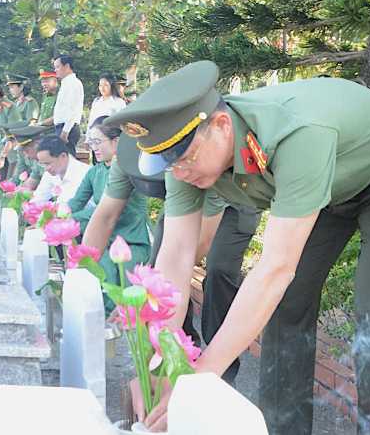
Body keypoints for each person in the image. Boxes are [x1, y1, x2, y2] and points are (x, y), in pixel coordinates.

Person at [105, 61, 370, 434]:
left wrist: (197, 379)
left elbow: (276, 267)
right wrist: (159, 365)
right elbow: (177, 255)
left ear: (222, 126)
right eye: (169, 165)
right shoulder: (186, 151)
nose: (179, 174)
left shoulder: (297, 133)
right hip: (328, 189)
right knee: (287, 301)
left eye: (184, 160)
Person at [82, 123, 259, 383]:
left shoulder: (194, 157)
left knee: (218, 272)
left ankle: (220, 373)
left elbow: (196, 247)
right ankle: (179, 360)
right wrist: (82, 278)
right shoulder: (127, 156)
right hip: (182, 196)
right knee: (158, 267)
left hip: (232, 199)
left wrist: (145, 296)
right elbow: (105, 217)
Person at [67, 116, 152, 314]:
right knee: (93, 272)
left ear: (117, 142)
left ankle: (117, 323)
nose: (93, 148)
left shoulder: (129, 169)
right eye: (91, 142)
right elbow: (76, 203)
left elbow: (107, 212)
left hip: (133, 239)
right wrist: (53, 217)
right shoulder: (95, 172)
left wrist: (70, 221)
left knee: (118, 276)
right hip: (106, 238)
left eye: (98, 142)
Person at [31, 134, 91, 204]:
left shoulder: (83, 174)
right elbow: (38, 198)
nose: (46, 169)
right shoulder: (50, 173)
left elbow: (69, 205)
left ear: (63, 156)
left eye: (48, 164)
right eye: (42, 164)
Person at [85, 74, 126, 162]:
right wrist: (87, 139)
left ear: (111, 85)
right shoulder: (96, 102)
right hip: (96, 136)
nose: (102, 88)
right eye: (100, 85)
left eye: (105, 85)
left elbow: (121, 122)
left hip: (110, 137)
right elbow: (91, 121)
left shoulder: (119, 102)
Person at [51, 55, 84, 158]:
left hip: (68, 128)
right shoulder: (66, 83)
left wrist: (65, 131)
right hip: (63, 127)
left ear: (67, 66)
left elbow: (72, 109)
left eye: (57, 67)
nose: (56, 70)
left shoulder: (73, 84)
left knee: (67, 160)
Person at [7, 122, 46, 191]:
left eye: (27, 150)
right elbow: (30, 182)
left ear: (37, 143)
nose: (26, 155)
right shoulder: (37, 159)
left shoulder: (50, 157)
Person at [36, 67, 60, 134]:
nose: (44, 84)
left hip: (55, 131)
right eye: (42, 82)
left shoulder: (60, 94)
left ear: (54, 80)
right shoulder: (45, 95)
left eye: (46, 81)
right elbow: (41, 113)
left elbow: (58, 116)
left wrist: (40, 123)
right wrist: (38, 126)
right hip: (44, 132)